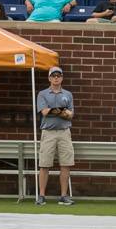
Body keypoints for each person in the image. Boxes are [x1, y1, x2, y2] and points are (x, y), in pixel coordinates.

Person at [35, 66, 75, 206]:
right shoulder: (42, 94)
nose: (56, 78)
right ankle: (41, 195)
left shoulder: (68, 94)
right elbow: (44, 112)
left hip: (65, 132)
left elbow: (71, 115)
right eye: (53, 75)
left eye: (58, 75)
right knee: (44, 164)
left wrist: (56, 111)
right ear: (49, 78)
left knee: (66, 164)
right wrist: (62, 111)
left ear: (62, 77)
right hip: (48, 132)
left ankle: (63, 196)